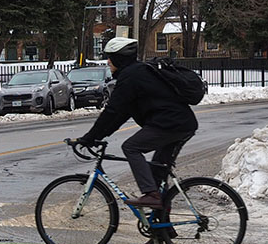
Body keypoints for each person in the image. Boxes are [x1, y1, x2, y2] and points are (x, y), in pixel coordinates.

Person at [76, 37, 198, 210]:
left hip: (171, 124)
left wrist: (90, 137)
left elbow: (112, 111)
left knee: (131, 147)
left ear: (119, 58)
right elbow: (120, 115)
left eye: (110, 57)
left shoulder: (131, 76)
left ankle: (151, 195)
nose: (108, 61)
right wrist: (96, 136)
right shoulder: (137, 74)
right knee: (157, 175)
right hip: (180, 124)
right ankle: (162, 230)